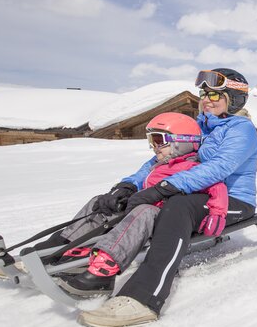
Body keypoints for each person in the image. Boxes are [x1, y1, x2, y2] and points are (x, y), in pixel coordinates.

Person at [77, 68, 257, 327]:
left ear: (233, 99)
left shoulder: (241, 131)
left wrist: (165, 187)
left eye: (215, 96)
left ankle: (143, 298)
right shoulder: (198, 126)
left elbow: (219, 168)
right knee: (118, 202)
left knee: (177, 206)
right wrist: (129, 185)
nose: (206, 100)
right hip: (194, 195)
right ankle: (65, 256)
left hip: (231, 202)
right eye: (204, 94)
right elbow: (159, 160)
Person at [54, 112, 229, 297]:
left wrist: (217, 214)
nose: (154, 147)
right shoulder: (157, 165)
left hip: (161, 218)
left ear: (182, 142)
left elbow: (218, 188)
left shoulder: (192, 168)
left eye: (159, 140)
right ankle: (72, 248)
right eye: (151, 140)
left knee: (143, 212)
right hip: (139, 209)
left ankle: (104, 271)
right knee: (100, 202)